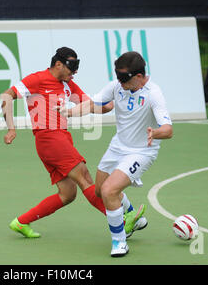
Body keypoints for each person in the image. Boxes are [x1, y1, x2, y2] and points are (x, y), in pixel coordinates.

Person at [1, 47, 145, 239]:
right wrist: (11, 128)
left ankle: (21, 222)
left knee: (68, 194)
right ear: (58, 64)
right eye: (71, 66)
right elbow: (6, 96)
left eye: (77, 66)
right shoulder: (37, 79)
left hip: (57, 140)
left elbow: (95, 106)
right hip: (50, 139)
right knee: (86, 178)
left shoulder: (69, 85)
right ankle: (121, 222)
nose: (74, 71)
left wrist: (113, 103)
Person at [61, 51, 173, 257]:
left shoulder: (153, 94)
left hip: (141, 152)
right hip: (117, 147)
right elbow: (92, 104)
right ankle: (134, 217)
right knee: (99, 190)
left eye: (124, 77)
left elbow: (168, 129)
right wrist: (68, 112)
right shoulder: (116, 87)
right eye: (118, 76)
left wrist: (155, 132)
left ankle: (119, 242)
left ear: (139, 76)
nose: (120, 81)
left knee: (110, 191)